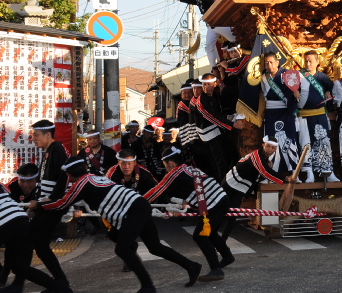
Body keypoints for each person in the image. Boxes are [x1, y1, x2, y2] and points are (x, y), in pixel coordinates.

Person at [30, 156, 202, 293]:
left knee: (122, 249)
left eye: (68, 175)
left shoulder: (81, 184)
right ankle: (191, 266)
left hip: (133, 210)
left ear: (70, 173)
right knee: (154, 246)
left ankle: (148, 286)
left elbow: (62, 204)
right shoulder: (94, 178)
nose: (68, 178)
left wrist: (38, 204)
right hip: (139, 204)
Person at [144, 149, 233, 282]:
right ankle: (227, 256)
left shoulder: (176, 173)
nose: (166, 168)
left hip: (213, 204)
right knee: (211, 233)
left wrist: (137, 202)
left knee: (200, 236)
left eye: (165, 165)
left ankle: (216, 270)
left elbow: (158, 190)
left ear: (171, 163)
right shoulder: (188, 168)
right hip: (220, 199)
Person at [0, 183, 71, 293]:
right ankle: (60, 288)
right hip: (19, 217)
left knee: (19, 264)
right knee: (19, 266)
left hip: (4, 220)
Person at [220, 136, 293, 240]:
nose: (270, 149)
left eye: (273, 148)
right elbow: (265, 172)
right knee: (220, 211)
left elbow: (260, 174)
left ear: (276, 149)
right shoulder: (256, 156)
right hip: (230, 183)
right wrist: (286, 178)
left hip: (240, 188)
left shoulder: (265, 160)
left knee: (232, 215)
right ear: (263, 145)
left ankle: (222, 241)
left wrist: (269, 167)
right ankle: (210, 234)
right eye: (268, 146)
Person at [29, 119, 70, 287]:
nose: (33, 138)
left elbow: (64, 178)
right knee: (40, 246)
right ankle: (61, 283)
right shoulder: (49, 151)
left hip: (51, 207)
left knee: (28, 241)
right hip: (44, 206)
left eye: (36, 135)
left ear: (48, 135)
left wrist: (51, 199)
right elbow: (42, 182)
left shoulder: (58, 150)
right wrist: (37, 203)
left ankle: (13, 280)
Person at [171, 0, 234, 67]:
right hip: (211, 26)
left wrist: (209, 17)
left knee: (234, 40)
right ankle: (213, 68)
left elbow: (216, 6)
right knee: (209, 47)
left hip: (218, 23)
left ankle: (244, 55)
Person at [297, 50, 338, 183]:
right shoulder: (299, 76)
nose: (308, 64)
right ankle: (309, 173)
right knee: (305, 144)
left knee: (323, 143)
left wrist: (328, 91)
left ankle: (328, 172)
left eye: (311, 61)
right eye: (306, 61)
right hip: (304, 116)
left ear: (317, 62)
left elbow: (332, 88)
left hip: (320, 115)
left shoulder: (323, 77)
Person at [196, 73, 241, 181]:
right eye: (204, 84)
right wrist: (232, 124)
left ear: (215, 84)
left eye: (209, 84)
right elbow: (213, 117)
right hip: (209, 133)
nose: (206, 87)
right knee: (221, 162)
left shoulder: (216, 96)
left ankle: (229, 180)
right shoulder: (201, 100)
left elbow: (224, 110)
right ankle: (223, 186)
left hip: (218, 129)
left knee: (234, 155)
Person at [262, 51, 300, 172]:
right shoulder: (264, 77)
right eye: (266, 63)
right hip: (271, 113)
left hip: (286, 111)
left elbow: (296, 91)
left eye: (271, 62)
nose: (269, 65)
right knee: (270, 140)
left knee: (290, 138)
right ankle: (271, 171)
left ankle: (294, 171)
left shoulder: (288, 75)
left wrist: (296, 94)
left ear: (277, 62)